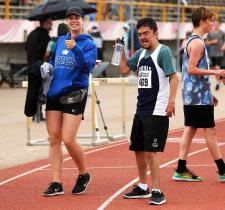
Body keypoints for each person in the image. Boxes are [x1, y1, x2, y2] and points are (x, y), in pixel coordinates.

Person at [120, 17, 179, 205]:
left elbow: (174, 78)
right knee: (138, 149)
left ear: (155, 33)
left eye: (146, 33)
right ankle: (143, 187)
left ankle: (157, 191)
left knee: (152, 152)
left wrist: (171, 102)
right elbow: (123, 69)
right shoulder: (140, 54)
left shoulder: (163, 52)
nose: (143, 37)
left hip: (157, 110)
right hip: (141, 109)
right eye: (139, 35)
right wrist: (119, 49)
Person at [42, 7, 97, 196]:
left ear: (83, 21)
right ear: (67, 21)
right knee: (54, 138)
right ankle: (56, 182)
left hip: (75, 93)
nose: (74, 21)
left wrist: (77, 49)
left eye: (77, 18)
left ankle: (84, 173)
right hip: (55, 93)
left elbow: (88, 67)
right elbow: (55, 63)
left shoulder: (89, 44)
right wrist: (45, 68)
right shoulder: (60, 41)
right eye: (71, 18)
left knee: (68, 139)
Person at [172, 7, 225, 183]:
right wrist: (216, 73)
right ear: (202, 21)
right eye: (210, 20)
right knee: (209, 130)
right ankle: (222, 169)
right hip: (196, 96)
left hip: (193, 95)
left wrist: (208, 92)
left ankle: (180, 167)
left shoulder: (192, 41)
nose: (213, 23)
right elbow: (192, 69)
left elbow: (191, 72)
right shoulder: (198, 43)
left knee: (191, 128)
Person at [25, 17, 52, 121]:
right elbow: (47, 53)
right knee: (41, 91)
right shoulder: (45, 36)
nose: (51, 25)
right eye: (49, 22)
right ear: (44, 23)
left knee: (32, 90)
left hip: (31, 66)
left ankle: (34, 113)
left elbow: (26, 48)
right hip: (40, 67)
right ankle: (38, 114)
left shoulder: (31, 34)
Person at [206, 19, 225, 90]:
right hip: (212, 53)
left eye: (217, 24)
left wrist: (223, 46)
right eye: (215, 24)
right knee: (214, 68)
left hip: (220, 53)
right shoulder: (210, 33)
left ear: (220, 25)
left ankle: (220, 82)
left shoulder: (222, 33)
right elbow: (207, 42)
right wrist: (212, 41)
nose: (216, 25)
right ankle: (218, 82)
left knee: (217, 67)